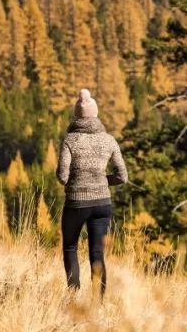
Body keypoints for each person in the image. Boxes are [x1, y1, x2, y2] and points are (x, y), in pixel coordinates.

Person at [56, 88, 128, 298]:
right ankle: (99, 301)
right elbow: (123, 176)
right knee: (97, 253)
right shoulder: (109, 140)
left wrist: (76, 182)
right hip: (102, 204)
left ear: (76, 116)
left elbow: (62, 175)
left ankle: (73, 297)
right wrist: (102, 181)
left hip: (76, 203)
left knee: (70, 247)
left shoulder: (70, 140)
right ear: (96, 115)